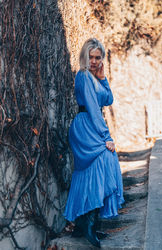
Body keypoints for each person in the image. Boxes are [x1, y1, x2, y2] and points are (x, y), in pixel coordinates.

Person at [63, 38, 124, 248]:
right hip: (85, 125)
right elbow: (91, 106)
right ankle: (87, 222)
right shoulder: (82, 75)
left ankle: (86, 223)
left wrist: (103, 78)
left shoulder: (95, 77)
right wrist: (107, 136)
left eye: (98, 57)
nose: (95, 61)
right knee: (104, 161)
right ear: (84, 56)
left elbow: (108, 100)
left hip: (91, 123)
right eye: (91, 57)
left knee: (99, 168)